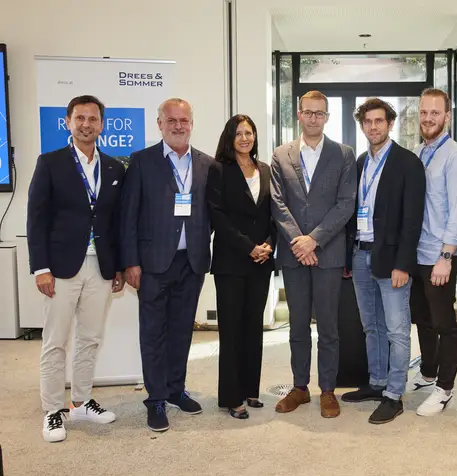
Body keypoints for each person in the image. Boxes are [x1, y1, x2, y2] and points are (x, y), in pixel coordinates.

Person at [27, 95, 125, 443]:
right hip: (60, 267)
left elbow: (115, 222)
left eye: (93, 119)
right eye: (80, 118)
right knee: (55, 341)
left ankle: (81, 402)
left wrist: (118, 266)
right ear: (68, 122)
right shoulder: (50, 162)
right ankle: (53, 410)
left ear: (102, 125)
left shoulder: (114, 167)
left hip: (100, 266)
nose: (86, 125)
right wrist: (40, 267)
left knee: (90, 338)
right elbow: (36, 218)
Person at [120, 98, 213, 432]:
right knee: (153, 334)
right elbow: (128, 216)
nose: (178, 125)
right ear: (159, 124)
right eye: (171, 120)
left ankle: (175, 389)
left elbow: (213, 214)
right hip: (152, 264)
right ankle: (156, 398)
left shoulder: (207, 164)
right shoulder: (142, 161)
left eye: (183, 120)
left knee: (181, 330)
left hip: (192, 262)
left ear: (192, 124)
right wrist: (131, 262)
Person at [271, 90, 357, 418]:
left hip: (328, 254)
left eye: (319, 113)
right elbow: (277, 203)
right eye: (308, 112)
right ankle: (299, 387)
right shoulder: (281, 154)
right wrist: (300, 241)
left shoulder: (343, 154)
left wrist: (314, 240)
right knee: (297, 326)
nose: (313, 118)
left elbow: (346, 204)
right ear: (298, 114)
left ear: (327, 117)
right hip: (294, 254)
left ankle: (328, 390)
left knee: (329, 327)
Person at [341, 98, 425, 424]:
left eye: (379, 121)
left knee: (397, 330)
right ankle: (377, 382)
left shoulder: (407, 162)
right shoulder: (361, 162)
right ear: (362, 125)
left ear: (390, 124)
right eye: (368, 121)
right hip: (361, 254)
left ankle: (394, 394)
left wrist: (403, 264)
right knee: (371, 326)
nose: (373, 126)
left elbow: (413, 219)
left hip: (392, 260)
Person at [409, 89, 457, 417]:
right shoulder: (418, 152)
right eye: (424, 112)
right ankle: (427, 372)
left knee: (444, 322)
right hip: (418, 252)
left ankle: (445, 388)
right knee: (422, 318)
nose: (428, 118)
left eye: (435, 113)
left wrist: (446, 257)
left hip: (441, 254)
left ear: (447, 116)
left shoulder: (456, 157)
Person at [207, 114, 275, 420]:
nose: (245, 138)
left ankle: (250, 390)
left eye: (249, 133)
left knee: (253, 328)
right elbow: (217, 216)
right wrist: (249, 247)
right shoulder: (219, 169)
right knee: (232, 330)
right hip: (231, 262)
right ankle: (231, 397)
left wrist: (269, 244)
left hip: (262, 261)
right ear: (230, 138)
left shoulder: (265, 169)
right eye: (239, 134)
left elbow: (274, 213)